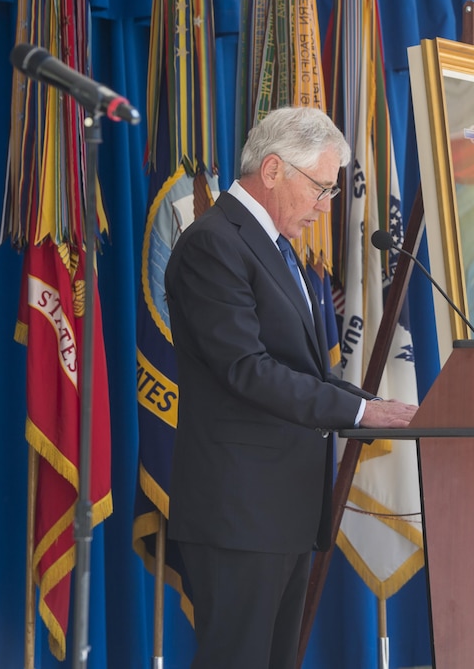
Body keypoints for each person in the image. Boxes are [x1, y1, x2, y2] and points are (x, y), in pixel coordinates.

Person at [164, 106, 418, 669]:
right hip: (240, 513)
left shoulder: (277, 248)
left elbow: (301, 367)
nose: (326, 207)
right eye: (321, 189)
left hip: (282, 510)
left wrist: (370, 405)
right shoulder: (215, 245)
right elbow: (245, 369)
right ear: (274, 169)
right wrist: (357, 415)